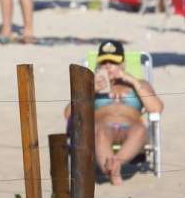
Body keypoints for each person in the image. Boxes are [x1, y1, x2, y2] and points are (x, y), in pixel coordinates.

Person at [65, 40, 163, 186]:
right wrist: (90, 91)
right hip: (103, 128)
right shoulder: (90, 85)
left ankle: (115, 164)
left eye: (113, 62)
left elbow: (156, 109)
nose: (109, 66)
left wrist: (132, 81)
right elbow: (68, 114)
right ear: (98, 65)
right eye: (104, 62)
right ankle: (112, 170)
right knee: (100, 132)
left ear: (122, 64)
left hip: (131, 128)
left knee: (141, 130)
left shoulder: (139, 84)